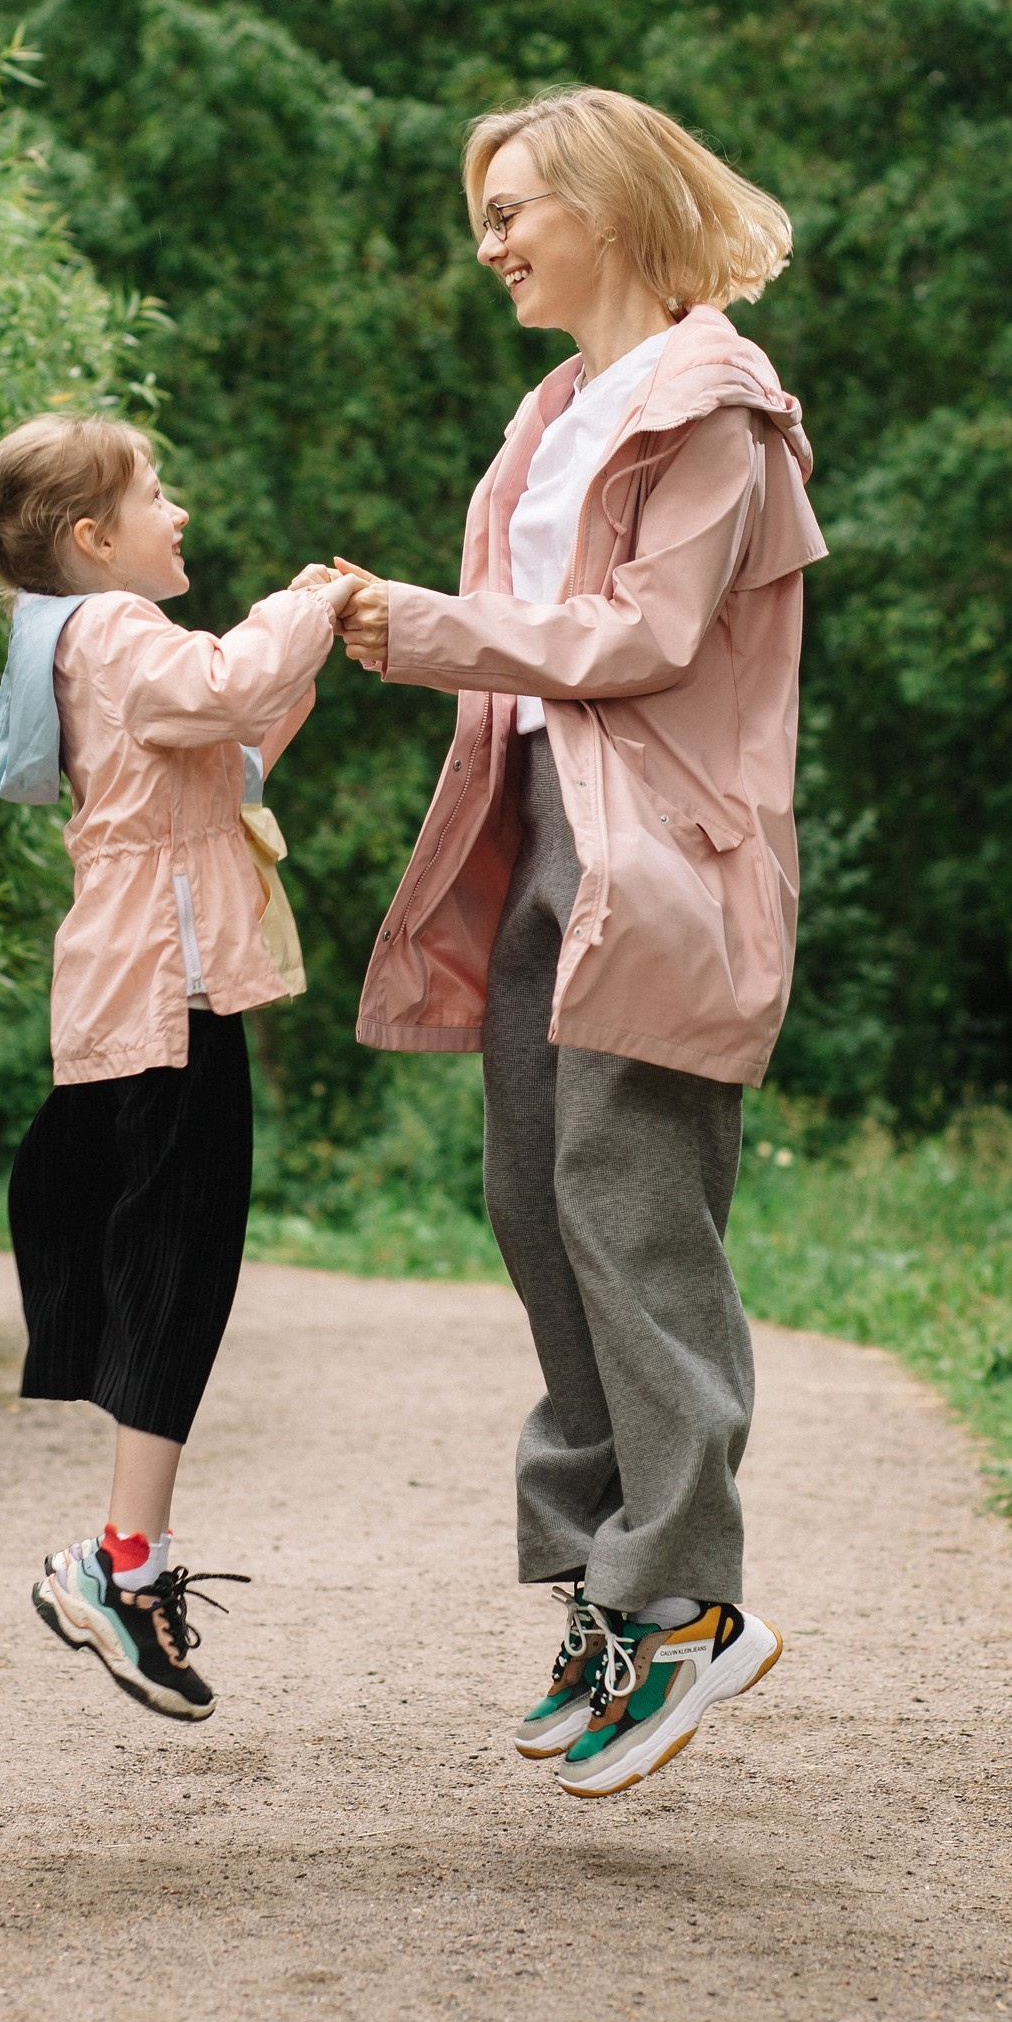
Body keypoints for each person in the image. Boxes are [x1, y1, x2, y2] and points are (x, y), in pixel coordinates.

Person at [332, 88, 827, 1798]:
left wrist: (420, 628)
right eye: (482, 214)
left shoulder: (713, 404)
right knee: (536, 1199)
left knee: (629, 1213)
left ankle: (683, 1600)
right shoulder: (554, 415)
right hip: (548, 827)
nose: (488, 244)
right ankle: (615, 1586)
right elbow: (545, 639)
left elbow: (645, 635)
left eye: (512, 209)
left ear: (606, 206)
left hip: (665, 856)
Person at [0, 415, 354, 1722]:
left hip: (150, 992)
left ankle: (126, 1561)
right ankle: (120, 1568)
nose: (179, 513)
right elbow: (228, 688)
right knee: (176, 1271)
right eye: (157, 494)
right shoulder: (118, 632)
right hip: (163, 999)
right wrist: (305, 609)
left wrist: (303, 645)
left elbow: (233, 752)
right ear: (92, 538)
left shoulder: (86, 639)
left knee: (175, 1272)